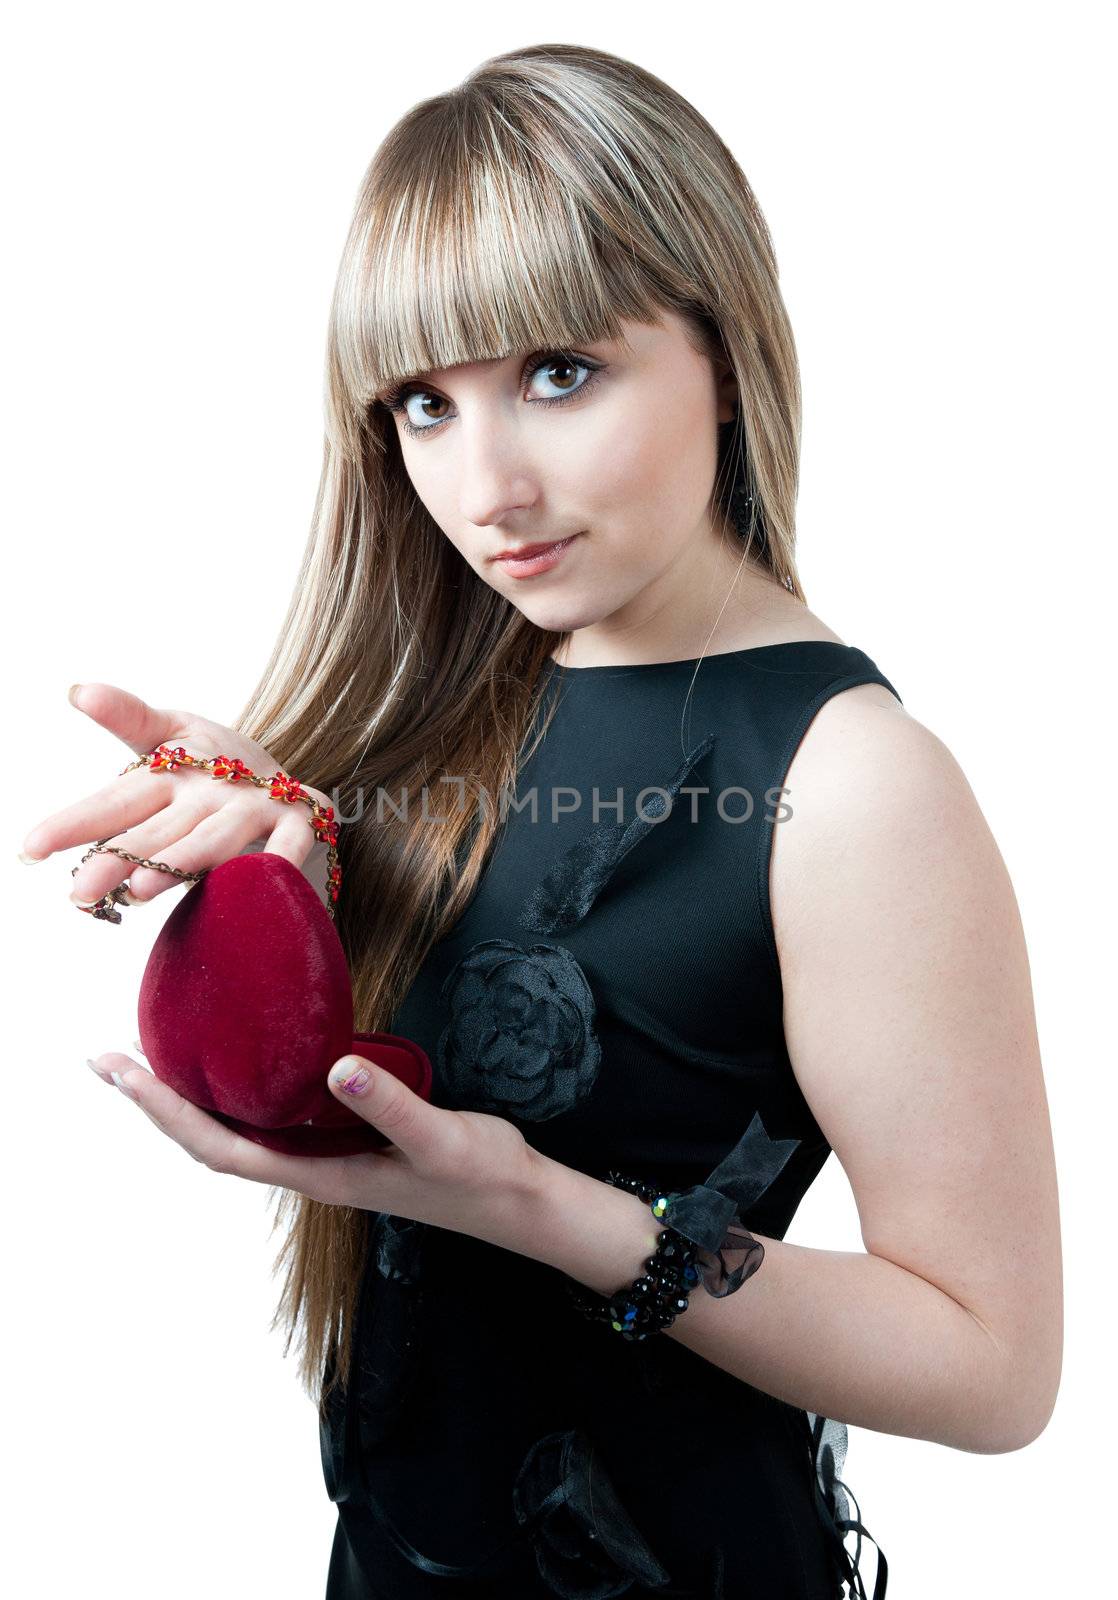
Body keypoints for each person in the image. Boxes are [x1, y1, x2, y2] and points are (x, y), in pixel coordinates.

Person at [24, 42, 1062, 1600]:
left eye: (555, 374)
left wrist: (550, 1213)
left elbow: (990, 1370)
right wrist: (289, 860)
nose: (486, 482)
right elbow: (333, 1102)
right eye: (424, 404)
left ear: (722, 347)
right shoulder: (446, 714)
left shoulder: (851, 780)